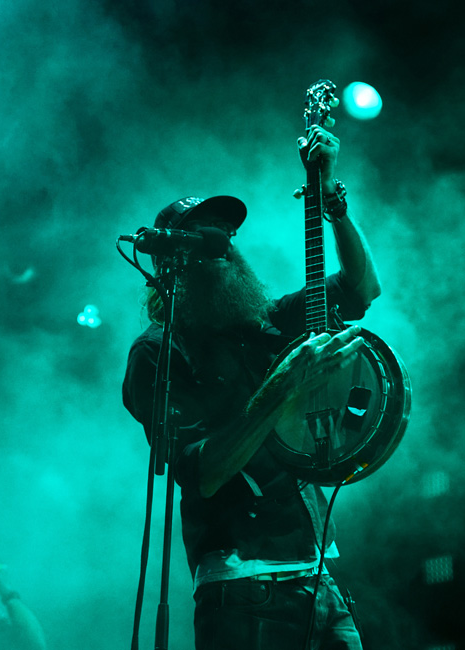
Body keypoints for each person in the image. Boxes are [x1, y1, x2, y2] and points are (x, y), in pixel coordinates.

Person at [122, 125, 382, 649]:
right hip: (243, 589)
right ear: (171, 261)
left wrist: (335, 208)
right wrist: (281, 389)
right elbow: (206, 472)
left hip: (321, 580)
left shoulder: (265, 323)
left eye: (227, 232)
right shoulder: (158, 353)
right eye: (207, 234)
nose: (224, 243)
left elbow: (362, 288)